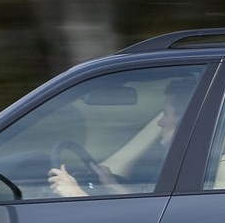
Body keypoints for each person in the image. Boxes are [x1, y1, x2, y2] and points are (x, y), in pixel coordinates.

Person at [47, 78, 191, 197]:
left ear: (182, 121)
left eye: (165, 114)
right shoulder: (187, 164)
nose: (160, 122)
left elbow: (143, 218)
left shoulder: (188, 168)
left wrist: (75, 193)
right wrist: (112, 185)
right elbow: (146, 206)